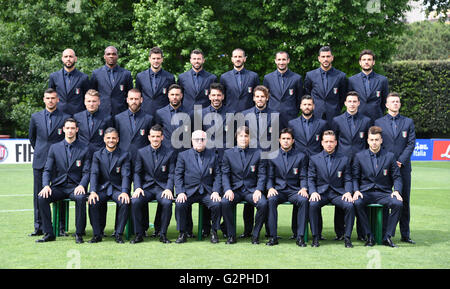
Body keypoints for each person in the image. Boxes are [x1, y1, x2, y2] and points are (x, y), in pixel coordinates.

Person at [36, 118, 90, 243]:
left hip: (75, 187)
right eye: (68, 128)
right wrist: (46, 185)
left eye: (73, 128)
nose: (70, 131)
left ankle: (79, 233)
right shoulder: (54, 148)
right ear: (63, 130)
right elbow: (47, 170)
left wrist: (82, 185)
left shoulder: (84, 148)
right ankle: (49, 233)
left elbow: (87, 172)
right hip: (58, 187)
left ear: (77, 130)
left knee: (81, 198)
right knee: (41, 197)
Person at [375, 92, 416, 244]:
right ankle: (384, 232)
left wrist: (400, 161)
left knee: (404, 200)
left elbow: (411, 143)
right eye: (392, 102)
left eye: (397, 102)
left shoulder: (408, 122)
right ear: (386, 105)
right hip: (385, 167)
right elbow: (378, 144)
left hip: (403, 167)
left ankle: (405, 234)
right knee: (386, 199)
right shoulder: (378, 121)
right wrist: (390, 161)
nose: (395, 104)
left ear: (400, 104)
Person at [352, 126, 403, 247]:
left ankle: (387, 236)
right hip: (365, 192)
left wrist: (396, 191)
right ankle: (369, 236)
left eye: (376, 139)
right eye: (371, 140)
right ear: (367, 140)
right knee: (357, 203)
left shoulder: (390, 156)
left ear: (381, 140)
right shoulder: (359, 156)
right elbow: (355, 177)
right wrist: (356, 190)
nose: (374, 142)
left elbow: (397, 177)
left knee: (398, 203)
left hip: (384, 193)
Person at [29, 88, 70, 237]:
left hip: (59, 163)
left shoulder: (65, 117)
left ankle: (60, 227)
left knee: (60, 194)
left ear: (57, 100)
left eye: (53, 98)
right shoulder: (36, 117)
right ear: (44, 99)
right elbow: (32, 138)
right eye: (48, 98)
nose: (50, 100)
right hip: (40, 161)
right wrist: (42, 152)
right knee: (39, 195)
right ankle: (39, 226)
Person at [331, 91, 371, 240]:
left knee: (360, 196)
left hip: (361, 164)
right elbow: (334, 141)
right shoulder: (337, 120)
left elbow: (368, 142)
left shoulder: (366, 121)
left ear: (359, 103)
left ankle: (362, 233)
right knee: (343, 196)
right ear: (345, 103)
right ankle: (340, 233)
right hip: (342, 163)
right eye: (350, 101)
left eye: (355, 101)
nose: (352, 104)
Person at [308, 130, 355, 248]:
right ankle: (315, 236)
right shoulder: (314, 159)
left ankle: (347, 237)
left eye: (331, 142)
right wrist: (313, 192)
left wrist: (348, 192)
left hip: (338, 193)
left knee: (349, 205)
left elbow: (348, 179)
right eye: (326, 141)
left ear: (336, 143)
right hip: (321, 192)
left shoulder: (344, 159)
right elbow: (311, 178)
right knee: (313, 204)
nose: (329, 144)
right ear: (322, 143)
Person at [221, 126, 268, 244]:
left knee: (263, 203)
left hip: (251, 190)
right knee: (225, 202)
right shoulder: (228, 153)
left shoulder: (258, 153)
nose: (243, 138)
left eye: (246, 136)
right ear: (236, 137)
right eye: (241, 136)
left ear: (250, 138)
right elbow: (225, 174)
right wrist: (227, 189)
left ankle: (255, 235)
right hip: (234, 190)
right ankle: (231, 235)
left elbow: (262, 174)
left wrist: (259, 190)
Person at [130, 124, 176, 244]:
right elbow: (137, 172)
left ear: (162, 137)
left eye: (158, 136)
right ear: (149, 137)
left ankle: (162, 233)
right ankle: (139, 234)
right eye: (153, 136)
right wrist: (138, 187)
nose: (155, 139)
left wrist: (169, 188)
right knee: (135, 201)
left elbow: (172, 174)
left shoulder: (169, 153)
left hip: (162, 188)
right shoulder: (141, 152)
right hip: (146, 188)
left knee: (167, 202)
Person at [174, 130, 222, 244]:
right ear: (192, 141)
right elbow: (178, 175)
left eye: (202, 139)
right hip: (189, 191)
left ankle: (214, 232)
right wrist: (180, 192)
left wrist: (215, 191)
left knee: (216, 204)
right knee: (180, 204)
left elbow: (218, 175)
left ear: (206, 141)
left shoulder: (213, 155)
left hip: (207, 192)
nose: (199, 142)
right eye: (197, 139)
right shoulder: (183, 156)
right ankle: (182, 232)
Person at [266, 128, 309, 247]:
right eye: (283, 138)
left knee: (304, 200)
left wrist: (304, 188)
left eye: (288, 139)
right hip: (278, 190)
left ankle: (300, 237)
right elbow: (269, 177)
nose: (286, 141)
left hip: (294, 191)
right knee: (271, 199)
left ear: (293, 141)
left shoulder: (301, 156)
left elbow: (303, 175)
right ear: (279, 140)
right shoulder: (272, 155)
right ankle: (273, 237)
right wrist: (270, 187)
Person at [87, 127, 131, 244]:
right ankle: (97, 234)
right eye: (108, 138)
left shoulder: (124, 155)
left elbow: (126, 175)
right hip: (102, 188)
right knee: (93, 201)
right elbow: (94, 173)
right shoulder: (97, 155)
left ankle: (118, 234)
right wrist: (92, 191)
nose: (111, 140)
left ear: (118, 139)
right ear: (104, 139)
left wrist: (125, 191)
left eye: (113, 138)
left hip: (118, 189)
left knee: (125, 202)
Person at [304, 46, 347, 126]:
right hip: (315, 115)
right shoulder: (310, 75)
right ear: (319, 58)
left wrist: (336, 108)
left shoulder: (341, 76)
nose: (325, 59)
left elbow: (343, 96)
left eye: (328, 56)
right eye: (323, 57)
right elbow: (307, 94)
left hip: (334, 115)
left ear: (332, 58)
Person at [263, 51, 303, 129]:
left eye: (284, 59)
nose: (281, 62)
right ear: (275, 61)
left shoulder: (296, 78)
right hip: (272, 116)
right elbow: (265, 98)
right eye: (279, 59)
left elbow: (299, 98)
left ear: (288, 60)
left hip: (290, 117)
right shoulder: (268, 78)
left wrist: (294, 111)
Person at [90, 46, 134, 118]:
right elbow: (92, 94)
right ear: (104, 56)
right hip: (101, 113)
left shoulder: (126, 74)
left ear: (117, 56)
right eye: (108, 54)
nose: (111, 56)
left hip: (121, 113)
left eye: (114, 54)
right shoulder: (96, 73)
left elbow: (130, 94)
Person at [348, 49, 389, 123]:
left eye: (369, 59)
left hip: (377, 119)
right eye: (364, 60)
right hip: (358, 119)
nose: (366, 62)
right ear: (360, 62)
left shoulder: (382, 80)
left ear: (373, 62)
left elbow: (385, 101)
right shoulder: (352, 80)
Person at [48, 48, 91, 116]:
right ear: (62, 59)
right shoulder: (54, 77)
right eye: (66, 56)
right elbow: (50, 96)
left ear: (75, 59)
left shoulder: (83, 77)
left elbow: (88, 98)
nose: (68, 59)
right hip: (58, 115)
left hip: (78, 115)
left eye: (71, 56)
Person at [136, 47, 176, 117]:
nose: (156, 61)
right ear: (149, 59)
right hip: (145, 115)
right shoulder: (140, 77)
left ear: (162, 59)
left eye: (158, 58)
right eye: (153, 58)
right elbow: (138, 96)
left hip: (163, 115)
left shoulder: (170, 77)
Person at [73, 89, 113, 158]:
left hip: (100, 155)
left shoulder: (107, 118)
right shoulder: (77, 117)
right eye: (89, 101)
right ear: (85, 102)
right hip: (81, 155)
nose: (91, 104)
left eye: (94, 101)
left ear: (99, 102)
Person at [219, 48, 259, 113]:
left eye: (240, 57)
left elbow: (257, 97)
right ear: (232, 59)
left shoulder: (253, 76)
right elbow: (222, 98)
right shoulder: (224, 77)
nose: (237, 59)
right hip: (230, 114)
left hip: (249, 114)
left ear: (244, 59)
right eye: (235, 57)